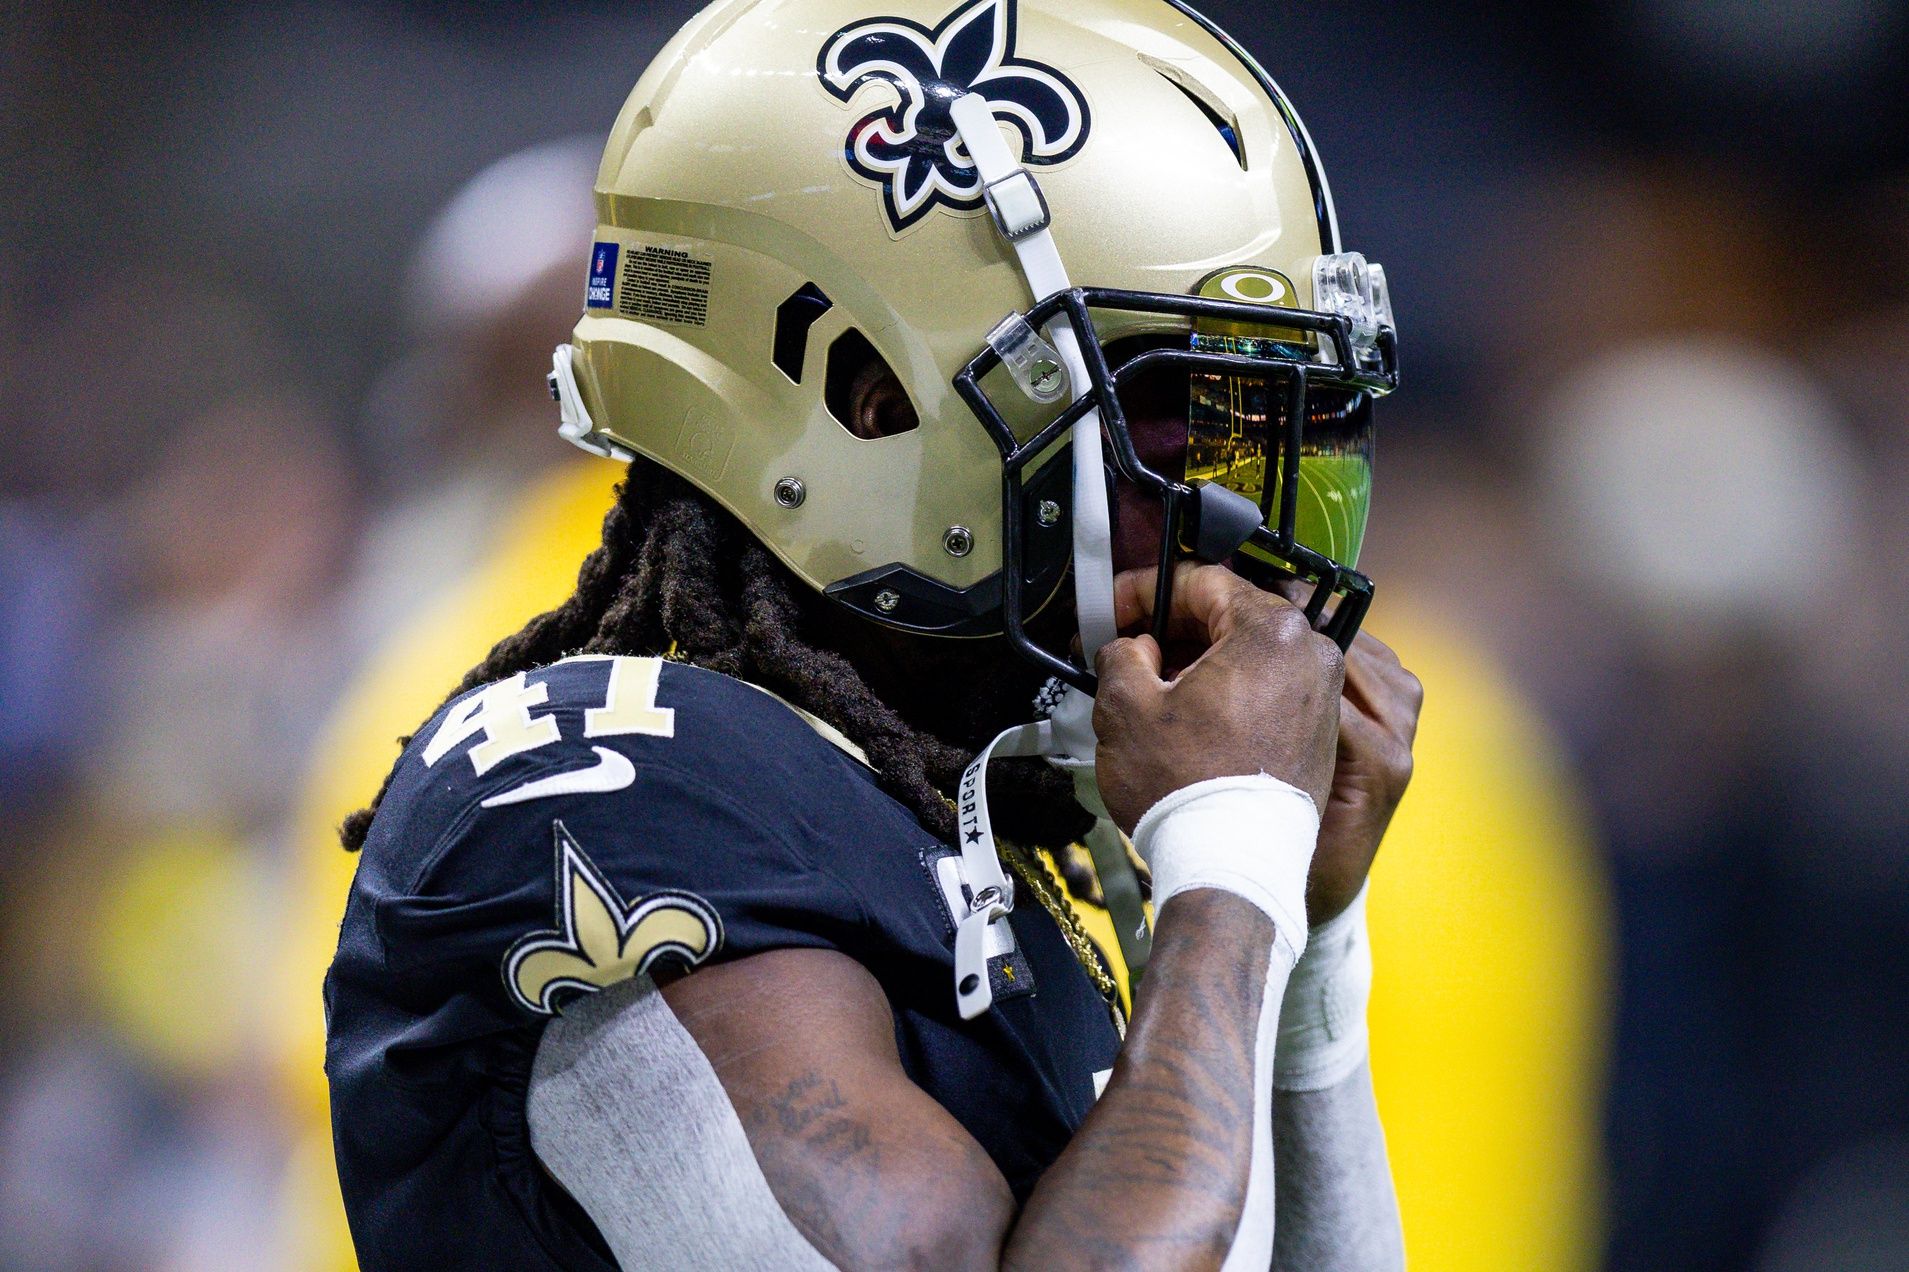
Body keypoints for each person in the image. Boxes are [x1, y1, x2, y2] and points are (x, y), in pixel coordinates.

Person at [324, 0, 1421, 1266]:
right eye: (1173, 441)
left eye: (1275, 454)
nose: (1235, 548)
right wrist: (1228, 871)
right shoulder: (615, 771)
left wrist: (1302, 951)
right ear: (870, 400)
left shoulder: (950, 826)